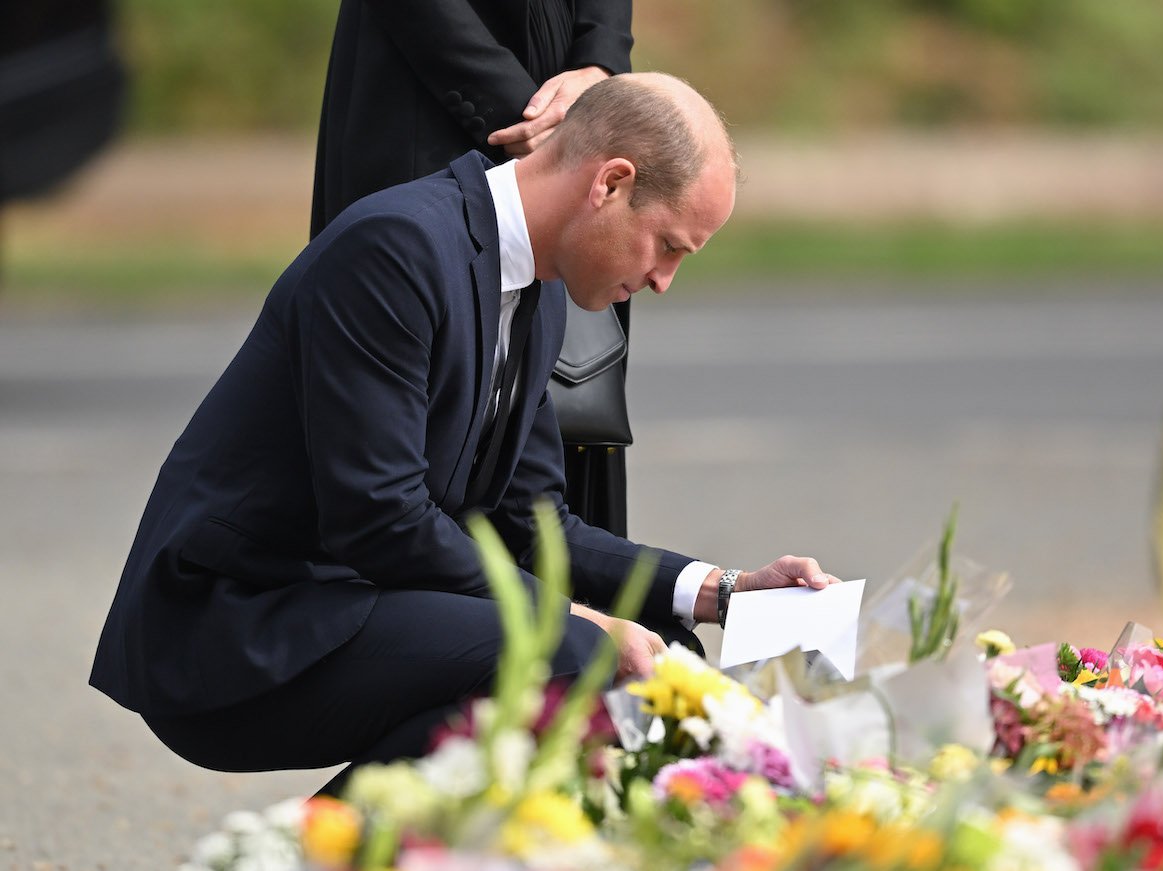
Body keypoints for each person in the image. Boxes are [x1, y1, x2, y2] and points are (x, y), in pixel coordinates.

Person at [89, 73, 838, 786]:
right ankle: (312, 854)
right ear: (610, 183)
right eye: (670, 245)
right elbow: (379, 519)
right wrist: (585, 622)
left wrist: (722, 590)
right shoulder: (396, 248)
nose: (663, 280)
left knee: (662, 660)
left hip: (346, 603)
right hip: (237, 624)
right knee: (575, 657)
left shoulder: (541, 292)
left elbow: (534, 525)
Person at [311, 0, 636, 538]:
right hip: (424, 97)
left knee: (572, 409)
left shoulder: (587, 119)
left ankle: (571, 606)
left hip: (572, 91)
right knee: (409, 453)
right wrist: (551, 136)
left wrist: (599, 70)